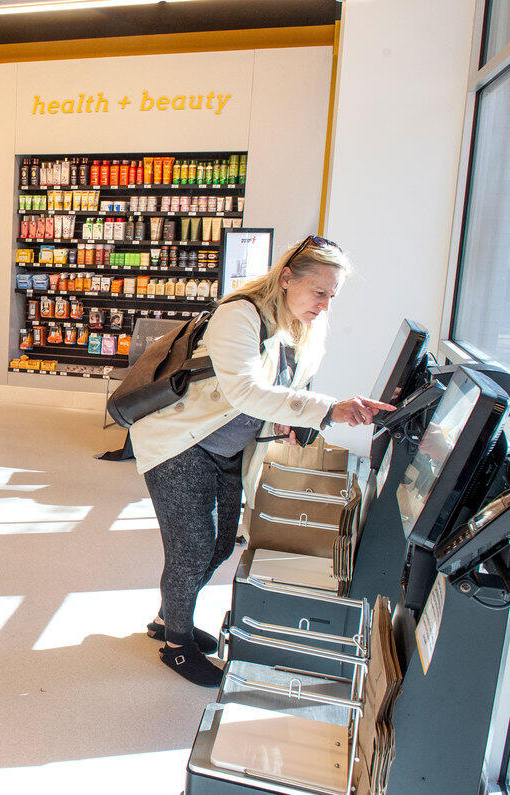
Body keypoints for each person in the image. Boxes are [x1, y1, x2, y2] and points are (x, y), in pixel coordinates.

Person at [128, 236, 394, 688]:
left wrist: (296, 421)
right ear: (287, 278)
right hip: (180, 444)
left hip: (224, 448)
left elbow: (277, 390)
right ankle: (175, 646)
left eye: (333, 296)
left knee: (218, 545)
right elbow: (245, 391)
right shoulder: (240, 314)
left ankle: (166, 617)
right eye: (320, 292)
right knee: (191, 549)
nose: (326, 305)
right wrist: (328, 408)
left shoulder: (294, 324)